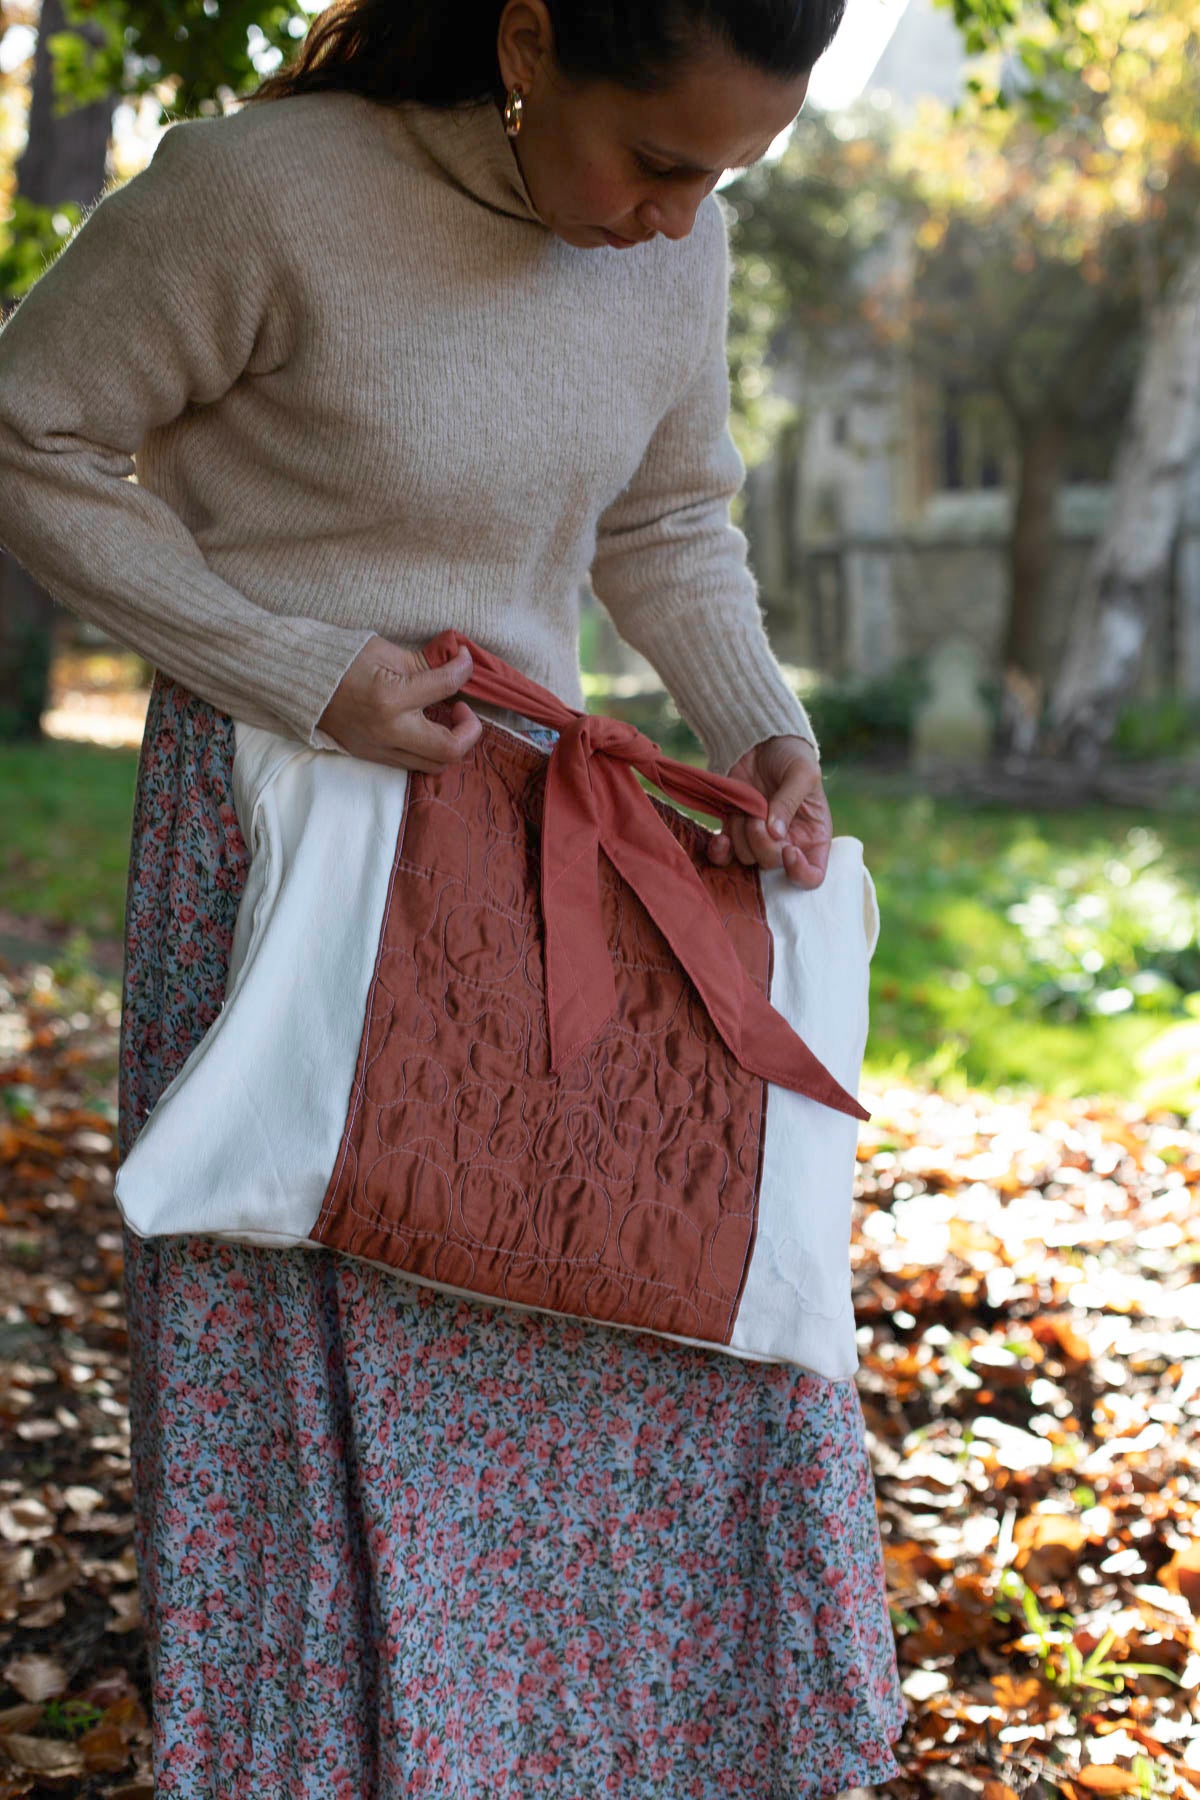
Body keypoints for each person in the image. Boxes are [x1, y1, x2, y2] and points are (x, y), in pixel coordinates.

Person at [0, 1, 905, 1792]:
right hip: (292, 842)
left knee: (640, 1303)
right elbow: (29, 434)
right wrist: (287, 663)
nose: (678, 217)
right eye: (658, 159)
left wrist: (764, 733)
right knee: (325, 1330)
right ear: (531, 39)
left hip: (535, 839)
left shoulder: (681, 237)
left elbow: (666, 518)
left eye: (725, 175)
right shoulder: (258, 194)